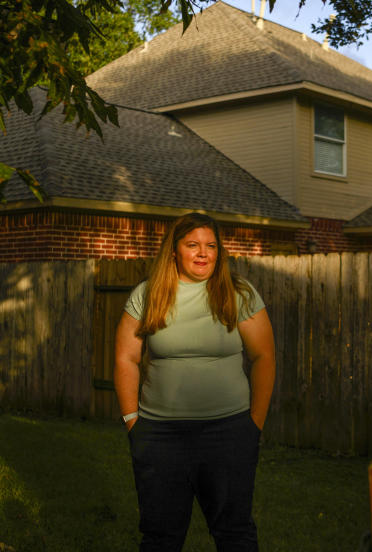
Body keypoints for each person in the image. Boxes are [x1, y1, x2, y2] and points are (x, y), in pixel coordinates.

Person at [113, 212, 275, 552]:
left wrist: (253, 425)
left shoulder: (238, 293)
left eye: (211, 246)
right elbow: (125, 358)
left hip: (228, 433)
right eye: (193, 245)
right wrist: (133, 422)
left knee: (235, 535)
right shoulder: (148, 294)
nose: (203, 253)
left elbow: (264, 358)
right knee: (160, 538)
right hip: (160, 436)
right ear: (174, 251)